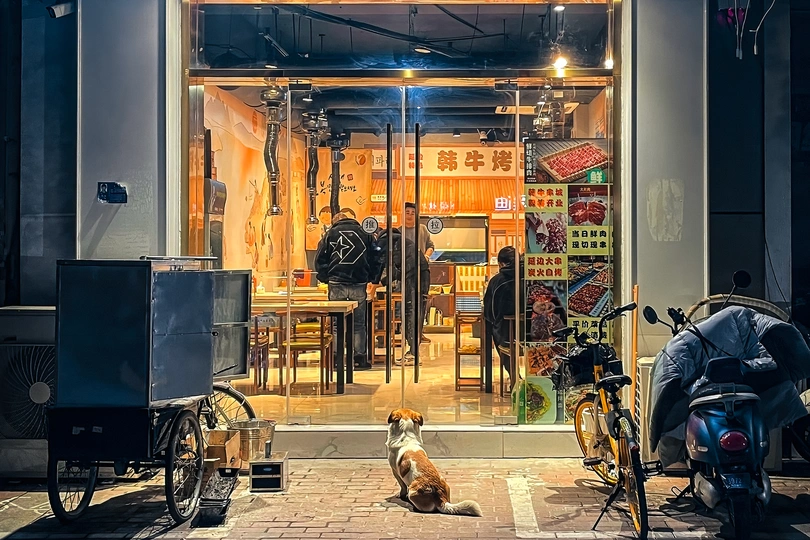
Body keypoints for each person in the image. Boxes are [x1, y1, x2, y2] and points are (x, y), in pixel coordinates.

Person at [315, 212, 382, 371]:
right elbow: (377, 257)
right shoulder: (365, 234)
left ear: (335, 222)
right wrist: (372, 278)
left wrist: (325, 277)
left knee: (337, 323)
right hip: (359, 282)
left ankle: (337, 359)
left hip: (336, 282)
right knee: (358, 323)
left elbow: (319, 258)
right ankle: (359, 359)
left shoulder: (330, 234)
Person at [374, 226, 429, 365]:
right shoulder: (399, 240)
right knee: (415, 313)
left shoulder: (386, 241)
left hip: (413, 278)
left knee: (410, 313)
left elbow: (388, 268)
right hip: (421, 276)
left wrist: (377, 282)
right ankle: (413, 351)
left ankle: (413, 354)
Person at [483, 247, 523, 378]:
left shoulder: (496, 281)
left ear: (500, 264)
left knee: (497, 329)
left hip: (506, 336)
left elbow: (489, 312)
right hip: (531, 333)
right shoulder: (530, 276)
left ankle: (514, 376)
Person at [402, 202, 435, 344]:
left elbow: (431, 246)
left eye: (412, 213)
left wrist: (426, 256)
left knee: (421, 303)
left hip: (422, 272)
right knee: (406, 305)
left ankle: (419, 333)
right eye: (407, 212)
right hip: (405, 272)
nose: (410, 215)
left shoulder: (422, 229)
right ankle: (407, 335)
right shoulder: (398, 231)